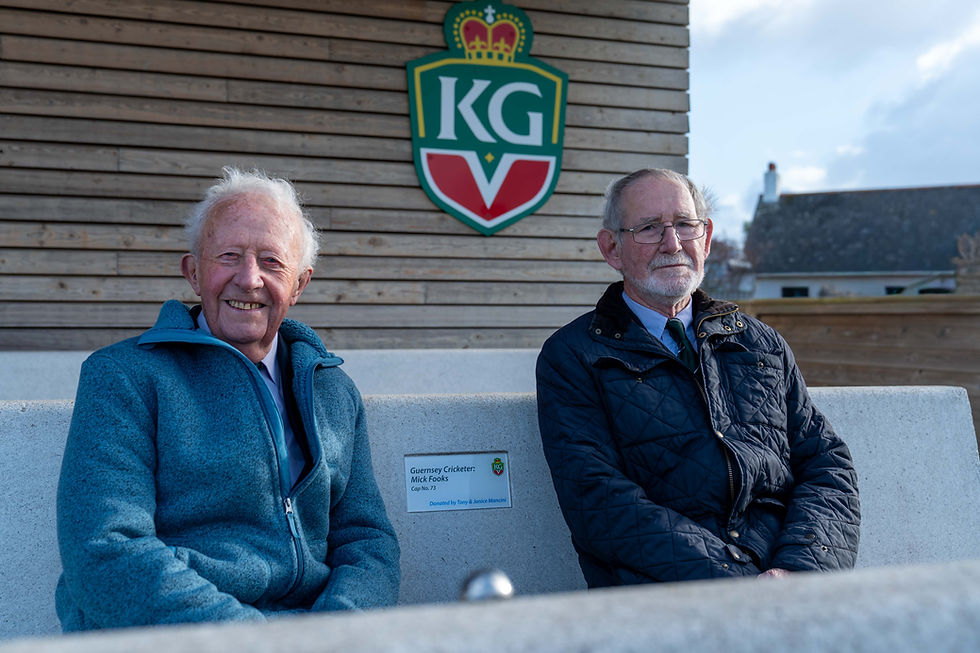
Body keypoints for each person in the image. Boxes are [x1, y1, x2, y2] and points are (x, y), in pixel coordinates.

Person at [55, 167, 400, 631]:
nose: (249, 278)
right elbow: (104, 552)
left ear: (299, 285)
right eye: (229, 256)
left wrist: (336, 633)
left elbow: (367, 540)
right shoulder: (123, 377)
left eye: (272, 262)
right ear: (194, 272)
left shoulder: (333, 391)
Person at [535, 168, 860, 587]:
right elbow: (599, 502)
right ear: (612, 249)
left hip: (787, 585)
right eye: (649, 228)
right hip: (669, 598)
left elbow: (826, 464)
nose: (673, 244)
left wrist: (799, 570)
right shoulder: (575, 356)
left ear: (705, 238)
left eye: (685, 225)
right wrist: (736, 581)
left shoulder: (761, 344)